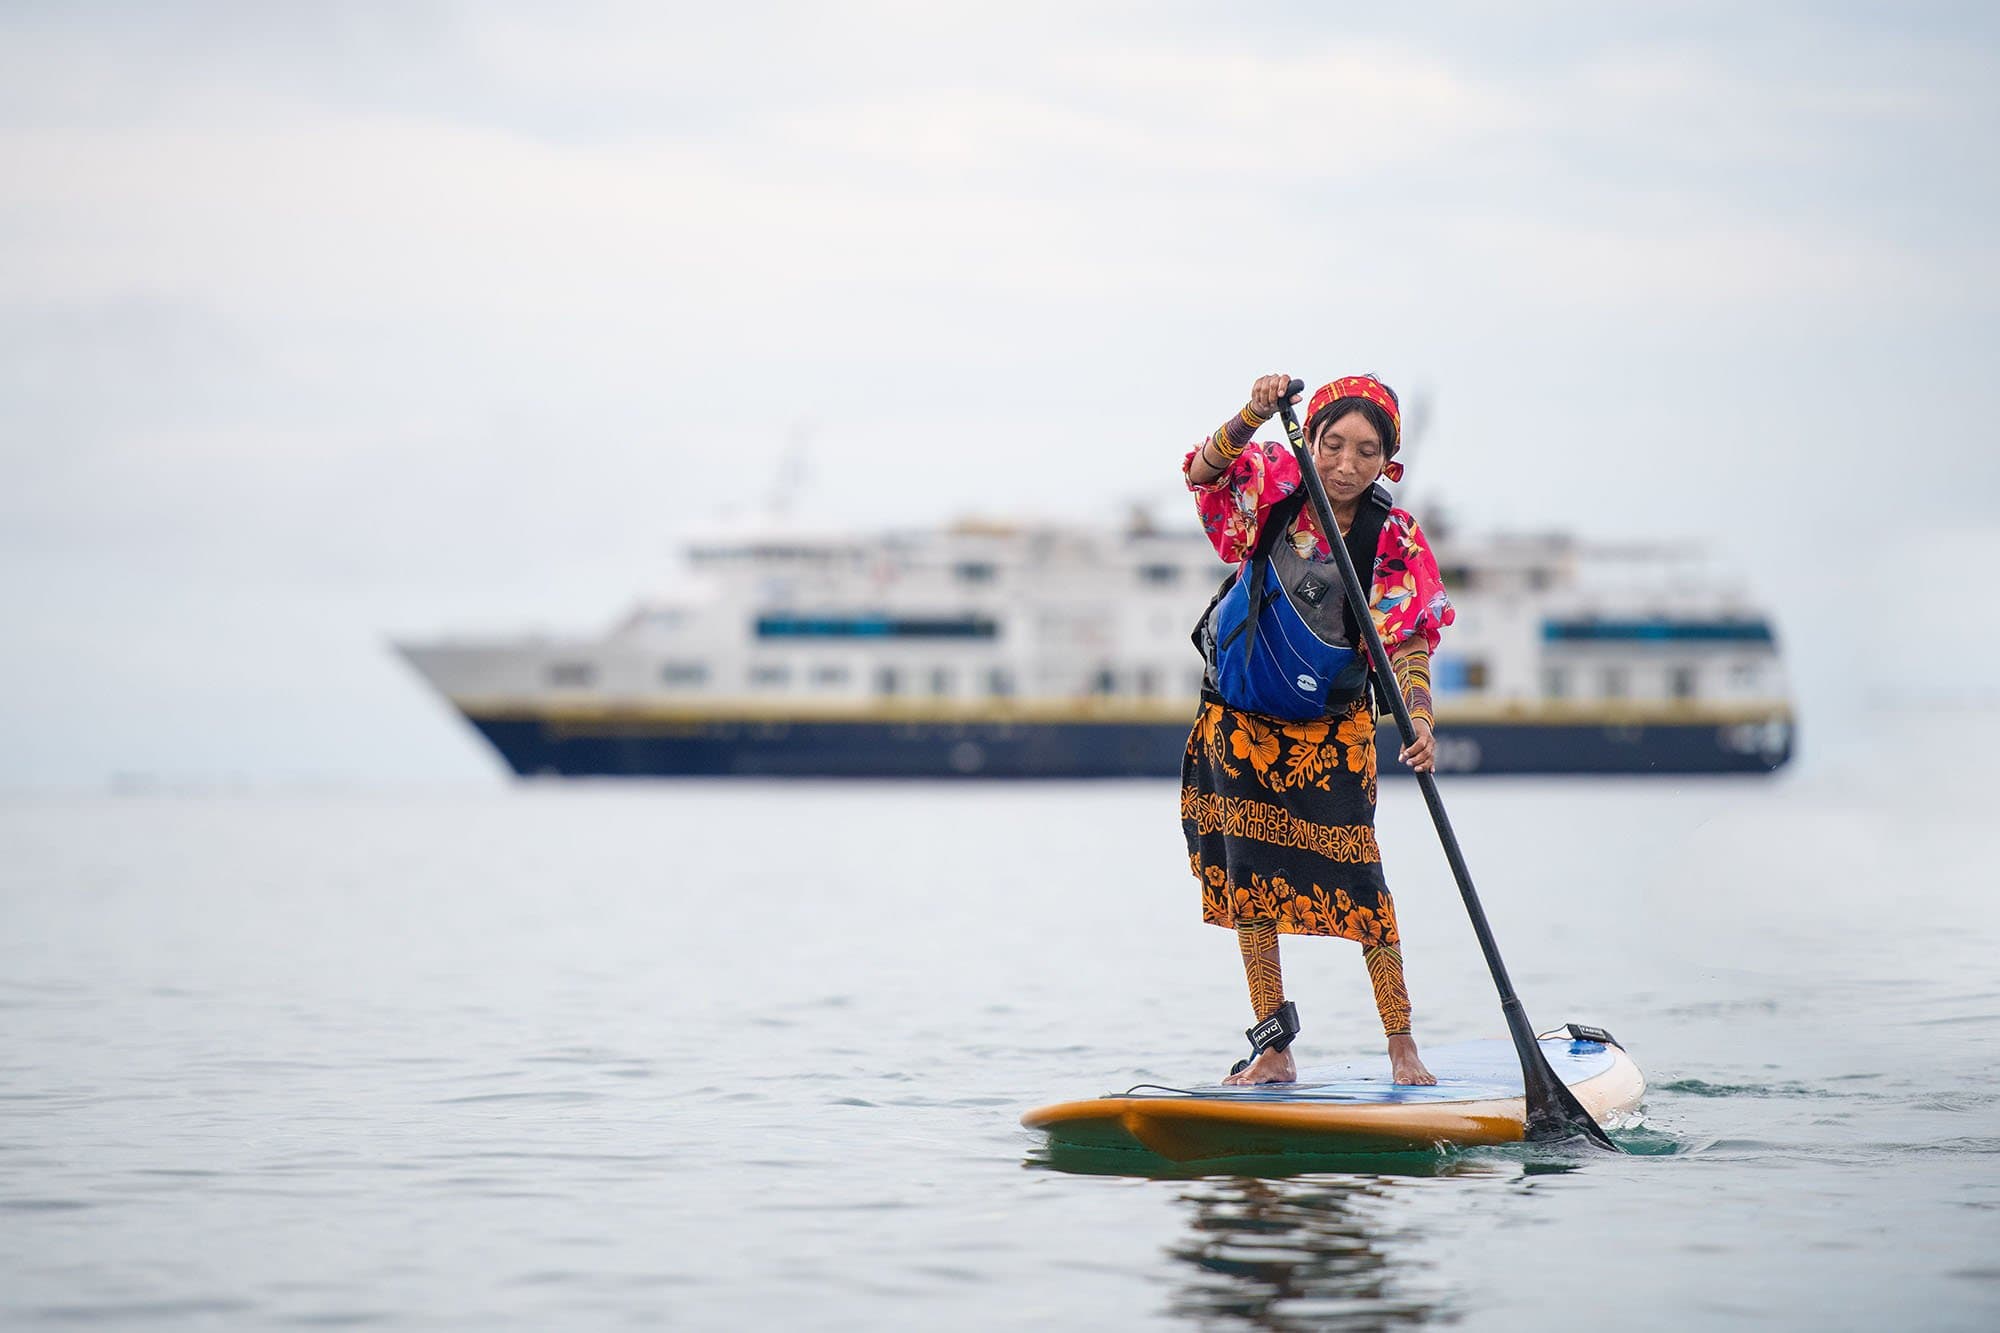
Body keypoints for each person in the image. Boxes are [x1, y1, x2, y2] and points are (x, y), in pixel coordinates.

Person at [1181, 372, 1454, 1086]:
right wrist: (1252, 414)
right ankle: (1273, 1048)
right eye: (1332, 444)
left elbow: (1409, 641)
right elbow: (1202, 474)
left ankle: (1402, 1045)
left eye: (1367, 451)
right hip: (1239, 722)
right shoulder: (1275, 482)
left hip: (1331, 733)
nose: (1344, 464)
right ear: (1313, 439)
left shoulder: (1391, 534)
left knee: (1364, 883)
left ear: (1387, 460)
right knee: (1253, 888)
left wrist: (1418, 719)